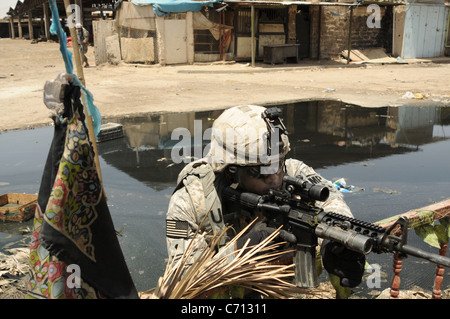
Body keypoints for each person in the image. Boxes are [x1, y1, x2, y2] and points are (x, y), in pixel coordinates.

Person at [165, 105, 365, 297]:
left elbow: (332, 201)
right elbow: (183, 276)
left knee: (344, 247)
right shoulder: (192, 199)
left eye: (278, 164)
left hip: (278, 286)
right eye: (260, 171)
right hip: (225, 288)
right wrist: (245, 248)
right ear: (232, 168)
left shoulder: (294, 172)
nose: (274, 178)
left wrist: (334, 241)